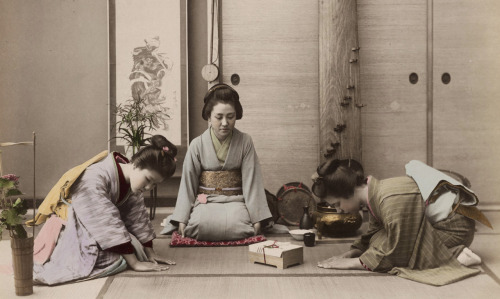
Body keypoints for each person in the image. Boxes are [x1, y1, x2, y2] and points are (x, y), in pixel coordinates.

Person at [313, 158, 484, 286]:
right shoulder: (374, 192)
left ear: (348, 191)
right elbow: (374, 232)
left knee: (399, 253)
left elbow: (398, 249)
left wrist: (352, 264)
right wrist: (354, 252)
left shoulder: (389, 198)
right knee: (378, 240)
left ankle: (456, 255)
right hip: (437, 224)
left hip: (454, 229)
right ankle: (445, 254)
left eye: (336, 204)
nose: (338, 210)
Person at [33, 135, 177, 285]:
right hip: (72, 225)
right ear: (135, 164)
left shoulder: (131, 179)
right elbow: (105, 222)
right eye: (148, 179)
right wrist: (135, 264)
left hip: (96, 225)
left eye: (154, 184)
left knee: (135, 249)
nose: (148, 188)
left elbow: (137, 217)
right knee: (112, 259)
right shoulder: (94, 178)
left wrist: (150, 252)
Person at [163, 83, 272, 241]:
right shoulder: (197, 144)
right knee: (198, 225)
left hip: (236, 201)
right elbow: (188, 184)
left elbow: (252, 182)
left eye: (230, 116)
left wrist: (257, 218)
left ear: (237, 115)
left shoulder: (245, 141)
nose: (225, 123)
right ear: (209, 116)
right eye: (219, 117)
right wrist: (182, 218)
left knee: (241, 226)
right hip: (206, 201)